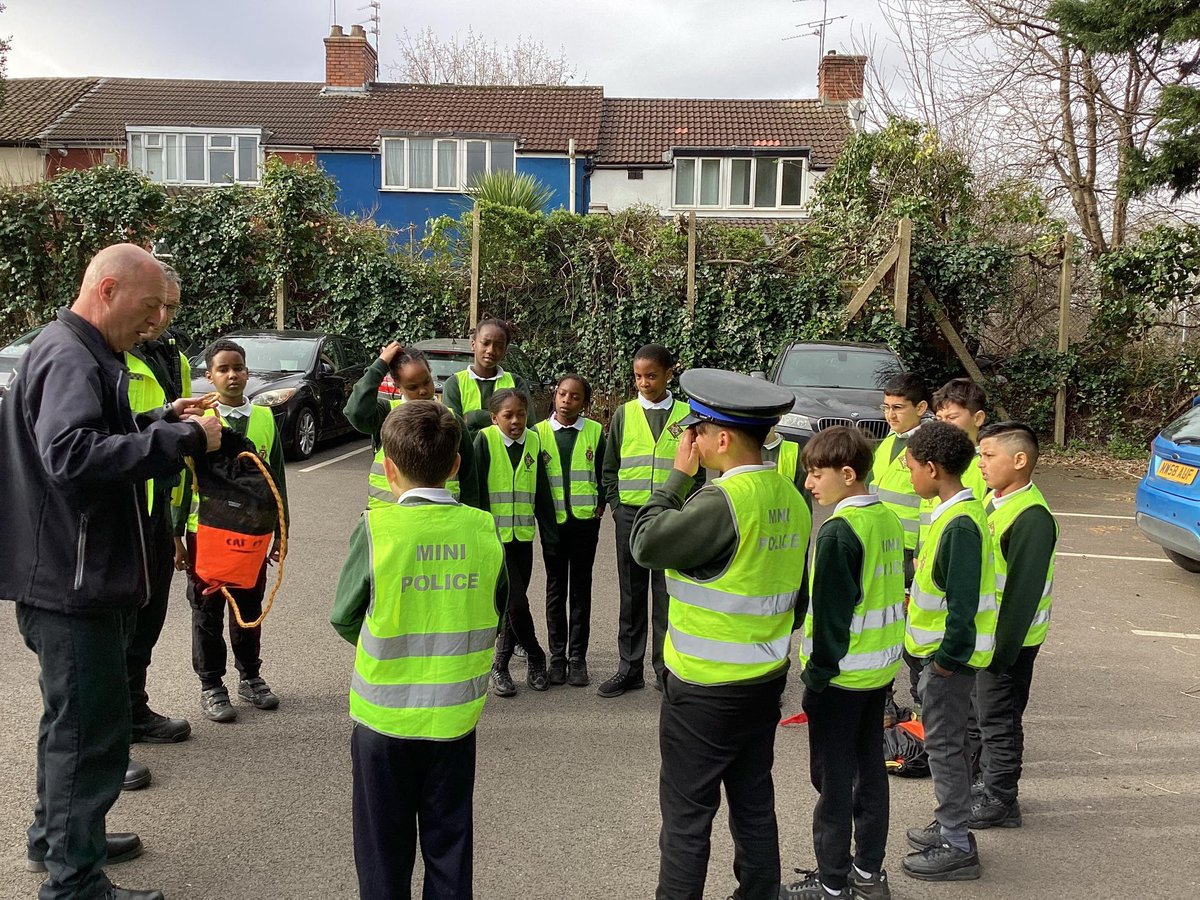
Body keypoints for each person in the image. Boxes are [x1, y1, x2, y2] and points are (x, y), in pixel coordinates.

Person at [0, 243, 221, 900]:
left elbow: (85, 437)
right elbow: (71, 456)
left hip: (63, 576)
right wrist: (182, 441)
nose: (157, 322)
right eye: (149, 306)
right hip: (72, 583)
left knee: (69, 721)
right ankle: (74, 883)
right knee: (89, 732)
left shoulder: (73, 350)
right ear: (105, 290)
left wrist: (157, 419)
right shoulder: (72, 355)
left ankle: (60, 839)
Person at [630, 368, 810, 900]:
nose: (693, 441)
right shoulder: (793, 498)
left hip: (704, 691)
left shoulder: (721, 501)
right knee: (754, 802)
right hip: (763, 681)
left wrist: (674, 480)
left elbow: (646, 543)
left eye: (698, 431)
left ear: (723, 438)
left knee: (687, 818)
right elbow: (795, 603)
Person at [330, 400, 508, 900]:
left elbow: (344, 615)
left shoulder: (376, 528)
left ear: (387, 467)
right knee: (449, 845)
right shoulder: (483, 529)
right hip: (454, 718)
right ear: (456, 465)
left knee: (382, 852)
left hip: (384, 721)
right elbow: (499, 604)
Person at [782, 427, 905, 900]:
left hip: (840, 677)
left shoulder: (838, 532)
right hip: (877, 674)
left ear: (847, 474)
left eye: (816, 474)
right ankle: (869, 875)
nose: (810, 484)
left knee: (832, 783)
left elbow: (831, 618)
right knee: (869, 772)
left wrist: (814, 678)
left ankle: (832, 882)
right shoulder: (887, 519)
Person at [900, 421, 997, 883]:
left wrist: (941, 665)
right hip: (942, 660)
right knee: (947, 746)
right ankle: (951, 822)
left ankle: (957, 843)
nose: (907, 472)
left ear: (933, 469)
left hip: (948, 663)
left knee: (943, 748)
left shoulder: (959, 525)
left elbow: (961, 609)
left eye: (912, 466)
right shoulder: (953, 514)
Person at [181, 339, 288, 722]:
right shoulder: (198, 421)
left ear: (248, 372)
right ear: (209, 376)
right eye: (223, 369)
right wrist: (176, 534)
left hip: (251, 536)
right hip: (205, 534)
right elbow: (181, 481)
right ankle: (211, 684)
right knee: (206, 609)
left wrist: (281, 530)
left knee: (248, 606)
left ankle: (250, 677)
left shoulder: (263, 418)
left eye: (238, 367)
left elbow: (276, 480)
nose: (232, 375)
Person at [968, 422, 1057, 830]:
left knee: (999, 718)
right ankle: (987, 785)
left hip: (1008, 644)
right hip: (989, 639)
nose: (980, 463)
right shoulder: (995, 499)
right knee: (986, 715)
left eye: (988, 456)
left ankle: (1001, 799)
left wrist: (999, 655)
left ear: (1019, 461)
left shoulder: (1032, 518)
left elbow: (1021, 595)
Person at [598, 344, 698, 698]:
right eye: (638, 376)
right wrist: (615, 505)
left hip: (671, 517)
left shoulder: (688, 416)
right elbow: (610, 467)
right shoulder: (624, 414)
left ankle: (664, 669)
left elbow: (696, 471)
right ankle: (629, 668)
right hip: (630, 516)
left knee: (666, 596)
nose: (644, 383)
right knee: (631, 594)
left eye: (651, 376)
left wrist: (687, 510)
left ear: (669, 373)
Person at [122, 262, 193, 751]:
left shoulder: (175, 359)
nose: (162, 316)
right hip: (121, 512)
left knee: (149, 619)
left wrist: (181, 519)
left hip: (161, 511)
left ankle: (134, 710)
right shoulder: (107, 358)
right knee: (114, 630)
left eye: (171, 306)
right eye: (156, 304)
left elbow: (178, 446)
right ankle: (110, 738)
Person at [474, 388, 559, 696]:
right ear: (494, 418)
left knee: (514, 604)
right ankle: (535, 655)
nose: (515, 421)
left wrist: (550, 533)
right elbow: (476, 492)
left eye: (520, 414)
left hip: (522, 537)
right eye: (507, 415)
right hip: (493, 539)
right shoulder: (484, 440)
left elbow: (542, 491)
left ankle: (500, 666)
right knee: (514, 602)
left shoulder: (534, 441)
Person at [344, 341, 479, 509]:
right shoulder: (386, 414)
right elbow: (355, 412)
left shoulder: (451, 420)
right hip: (388, 524)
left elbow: (469, 479)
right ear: (397, 385)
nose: (422, 391)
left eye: (426, 382)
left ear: (430, 373)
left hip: (441, 522)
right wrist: (380, 365)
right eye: (412, 387)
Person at [534, 373, 605, 686]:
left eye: (575, 397)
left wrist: (601, 502)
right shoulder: (538, 434)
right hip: (552, 526)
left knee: (580, 590)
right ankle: (557, 657)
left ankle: (578, 658)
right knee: (555, 589)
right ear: (554, 395)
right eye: (562, 394)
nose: (567, 401)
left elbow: (604, 471)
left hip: (584, 524)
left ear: (585, 403)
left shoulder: (594, 432)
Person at [870, 372, 928, 719]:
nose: (890, 415)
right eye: (886, 407)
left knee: (914, 635)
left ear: (921, 408)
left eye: (898, 408)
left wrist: (922, 553)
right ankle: (885, 703)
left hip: (910, 555)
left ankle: (924, 708)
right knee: (884, 628)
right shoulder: (887, 443)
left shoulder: (927, 446)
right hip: (884, 549)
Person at [442, 318, 534, 437]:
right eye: (485, 343)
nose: (490, 350)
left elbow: (526, 425)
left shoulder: (516, 382)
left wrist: (474, 416)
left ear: (505, 350)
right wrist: (504, 421)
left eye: (498, 346)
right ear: (473, 344)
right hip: (469, 455)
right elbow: (453, 431)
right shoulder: (455, 383)